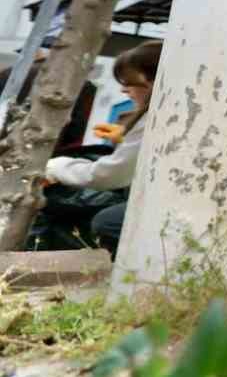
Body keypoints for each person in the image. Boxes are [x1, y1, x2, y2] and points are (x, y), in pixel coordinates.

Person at [40, 40, 163, 257]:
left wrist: (57, 167)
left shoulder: (152, 120)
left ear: (152, 82)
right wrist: (125, 138)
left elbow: (108, 175)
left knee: (108, 222)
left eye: (129, 82)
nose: (124, 89)